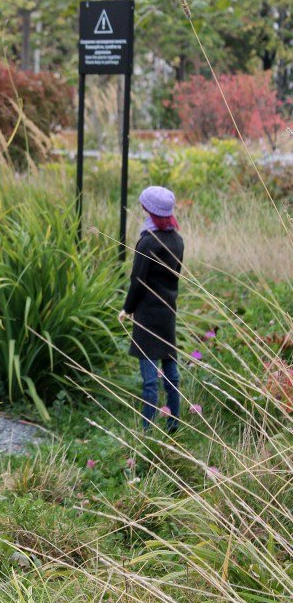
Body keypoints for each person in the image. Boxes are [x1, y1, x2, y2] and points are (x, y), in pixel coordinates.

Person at [119, 185, 184, 434]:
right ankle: (173, 424)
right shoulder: (177, 241)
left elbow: (138, 281)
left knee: (149, 379)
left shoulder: (147, 242)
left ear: (148, 209)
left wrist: (128, 308)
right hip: (167, 312)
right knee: (171, 373)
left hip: (147, 314)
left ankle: (146, 431)